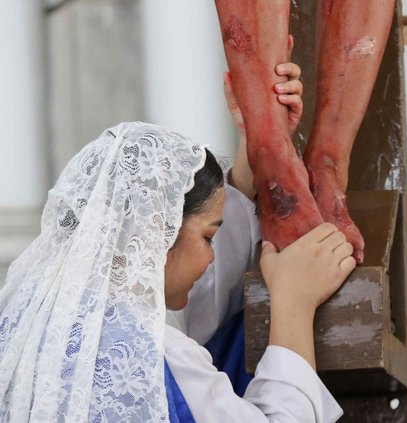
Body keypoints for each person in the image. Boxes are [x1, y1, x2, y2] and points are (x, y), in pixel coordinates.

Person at [0, 61, 355, 422]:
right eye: (209, 237)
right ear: (158, 237)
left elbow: (193, 299)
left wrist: (261, 144)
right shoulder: (148, 352)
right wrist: (293, 304)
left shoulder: (41, 325)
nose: (212, 258)